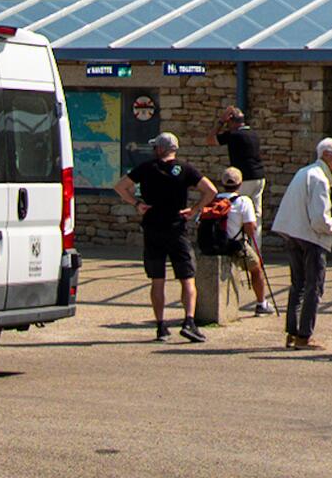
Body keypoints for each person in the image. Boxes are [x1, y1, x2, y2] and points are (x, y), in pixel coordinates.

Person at [115, 132, 217, 343]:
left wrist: (137, 204)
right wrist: (195, 209)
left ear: (160, 149)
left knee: (157, 279)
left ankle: (161, 326)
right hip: (176, 228)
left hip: (153, 228)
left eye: (155, 147)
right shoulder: (186, 169)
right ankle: (189, 322)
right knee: (187, 278)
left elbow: (120, 187)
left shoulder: (147, 168)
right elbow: (211, 191)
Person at [272, 137, 332, 350]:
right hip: (310, 238)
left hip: (293, 234)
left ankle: (293, 332)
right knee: (313, 287)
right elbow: (320, 220)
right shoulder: (319, 179)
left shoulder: (304, 172)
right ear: (326, 154)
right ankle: (304, 336)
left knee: (298, 285)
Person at [213, 166, 274, 316]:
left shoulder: (213, 199)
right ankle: (261, 303)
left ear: (222, 183)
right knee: (257, 268)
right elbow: (250, 229)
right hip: (235, 246)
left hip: (214, 245)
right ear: (240, 184)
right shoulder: (244, 201)